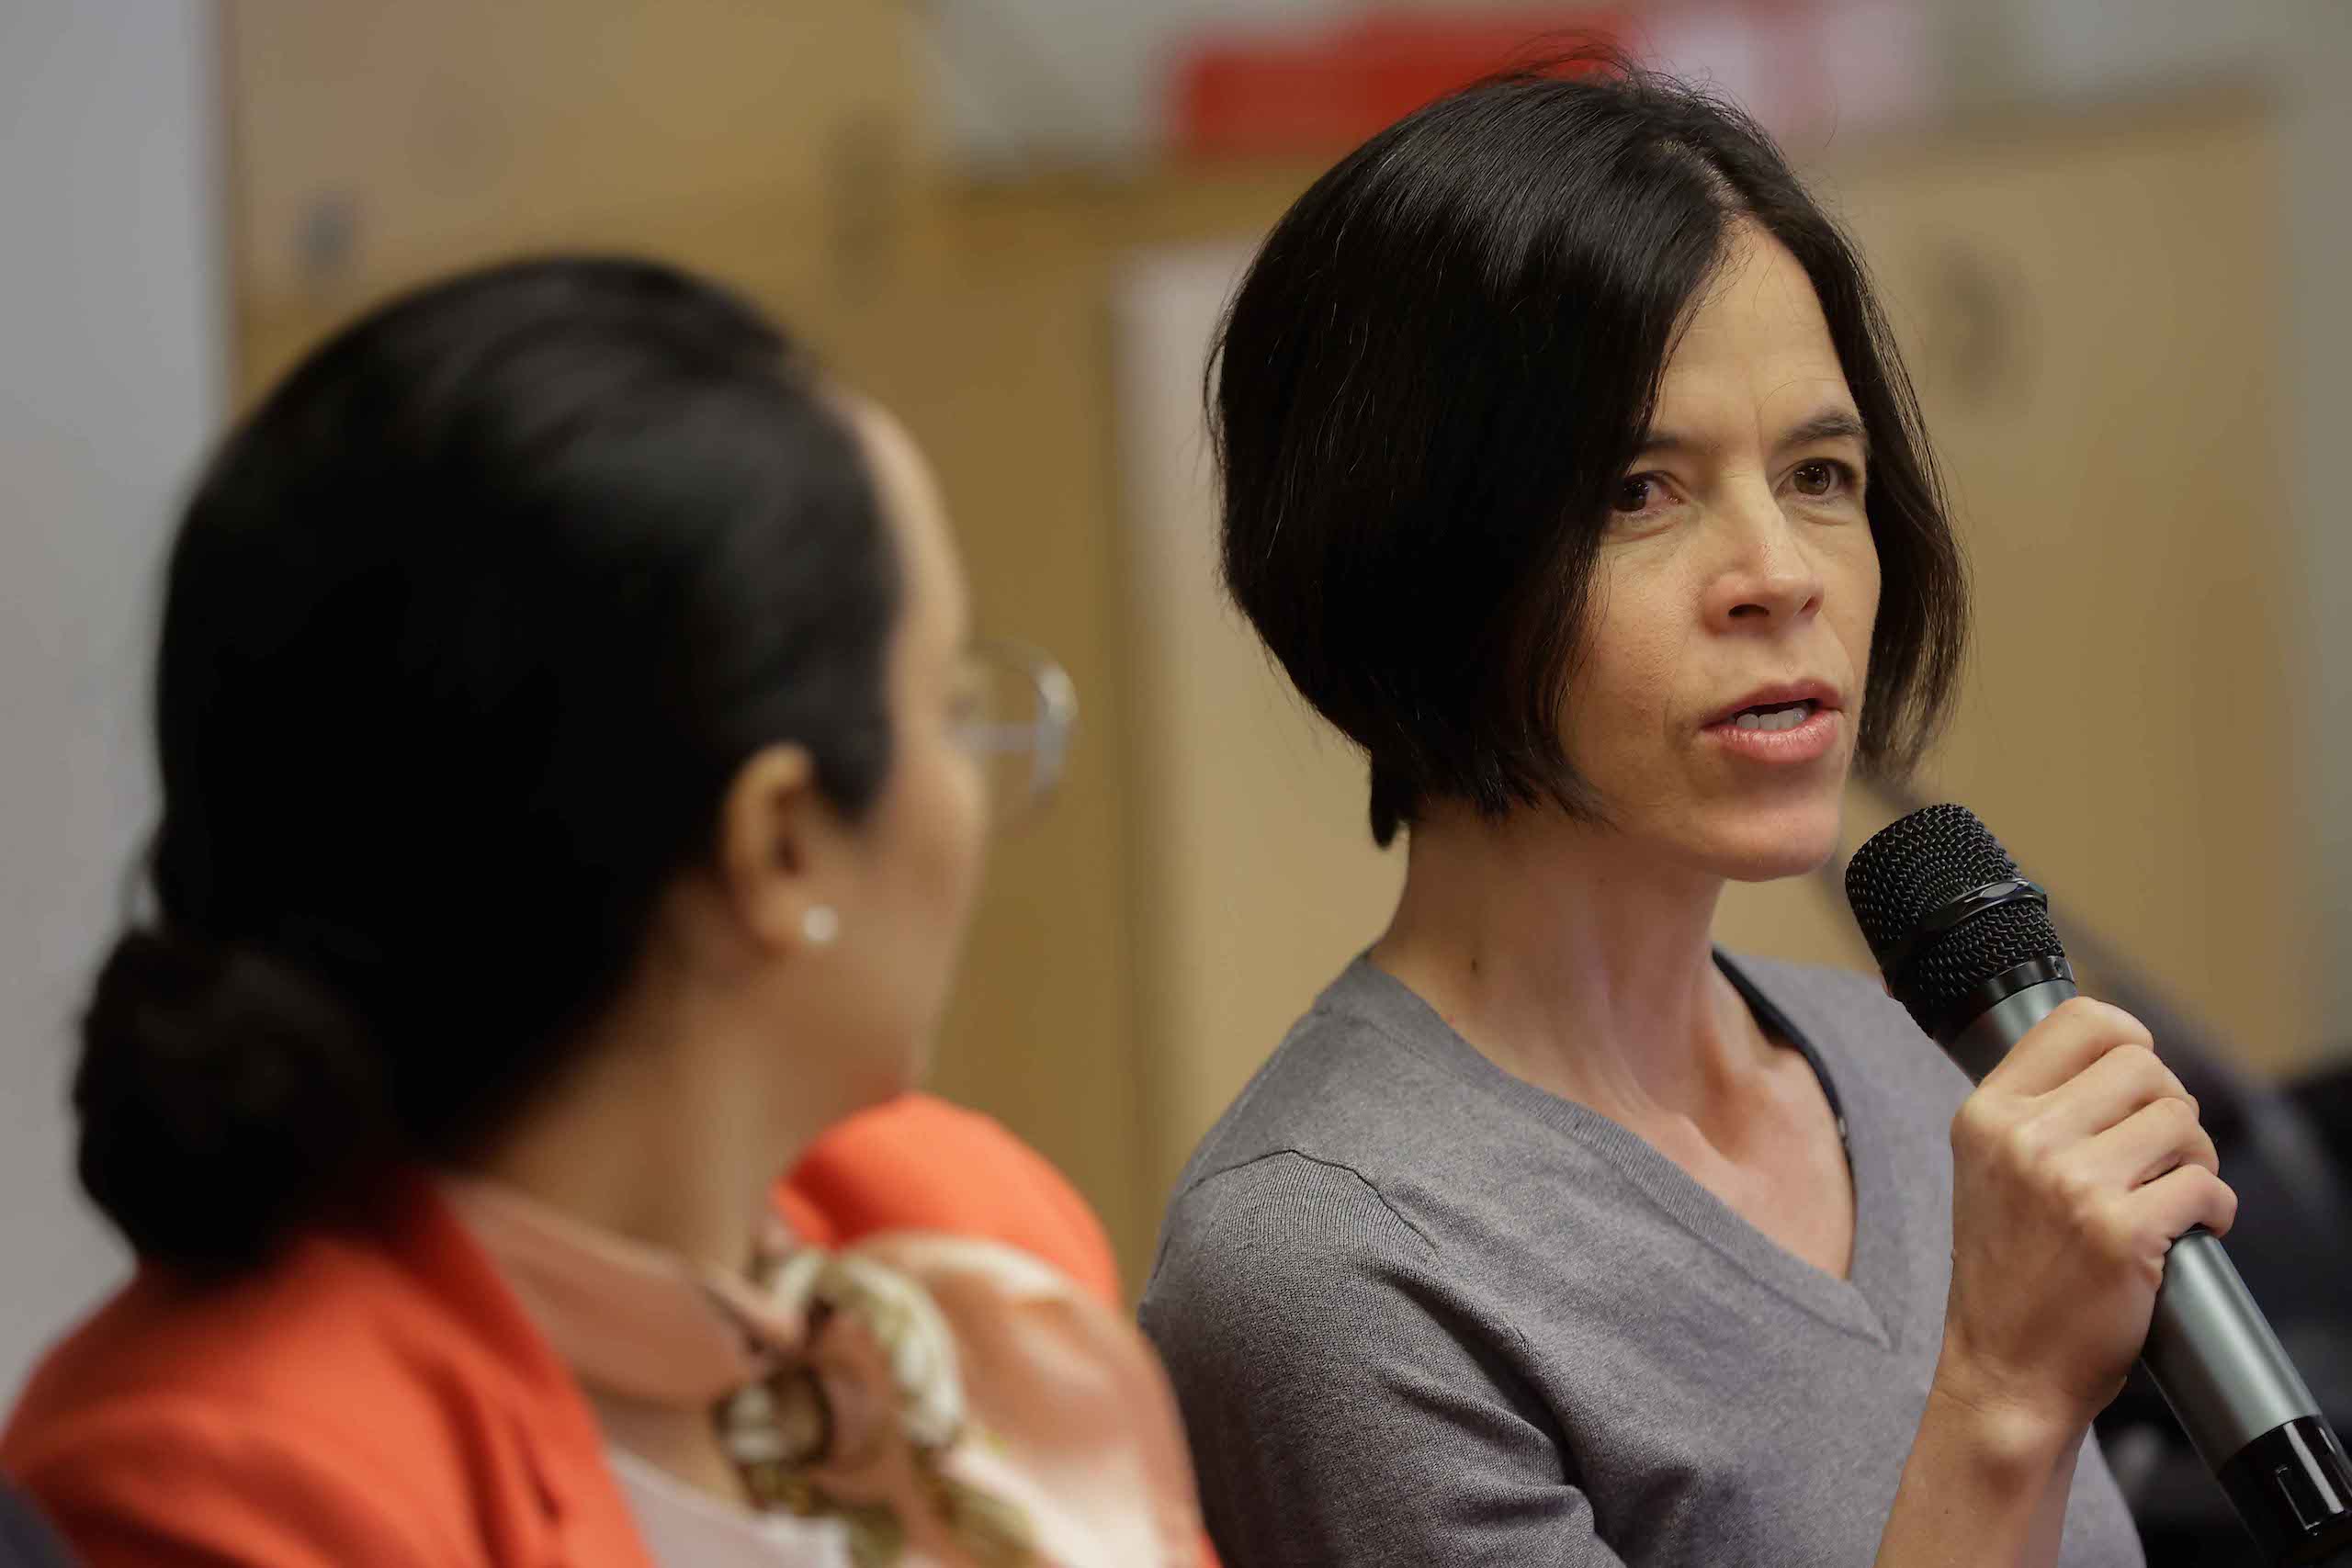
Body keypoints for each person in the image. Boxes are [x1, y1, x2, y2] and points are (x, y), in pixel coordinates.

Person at [1140, 59, 2230, 1568]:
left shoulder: (1899, 1074)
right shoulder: (1334, 1263)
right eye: (1641, 493)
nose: (1779, 572)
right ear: (1412, 556)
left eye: (1821, 473)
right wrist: (1999, 1395)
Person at [2, 257, 1201, 1567]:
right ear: (782, 845)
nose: (976, 794)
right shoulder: (225, 1482)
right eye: (953, 708)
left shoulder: (958, 1229)